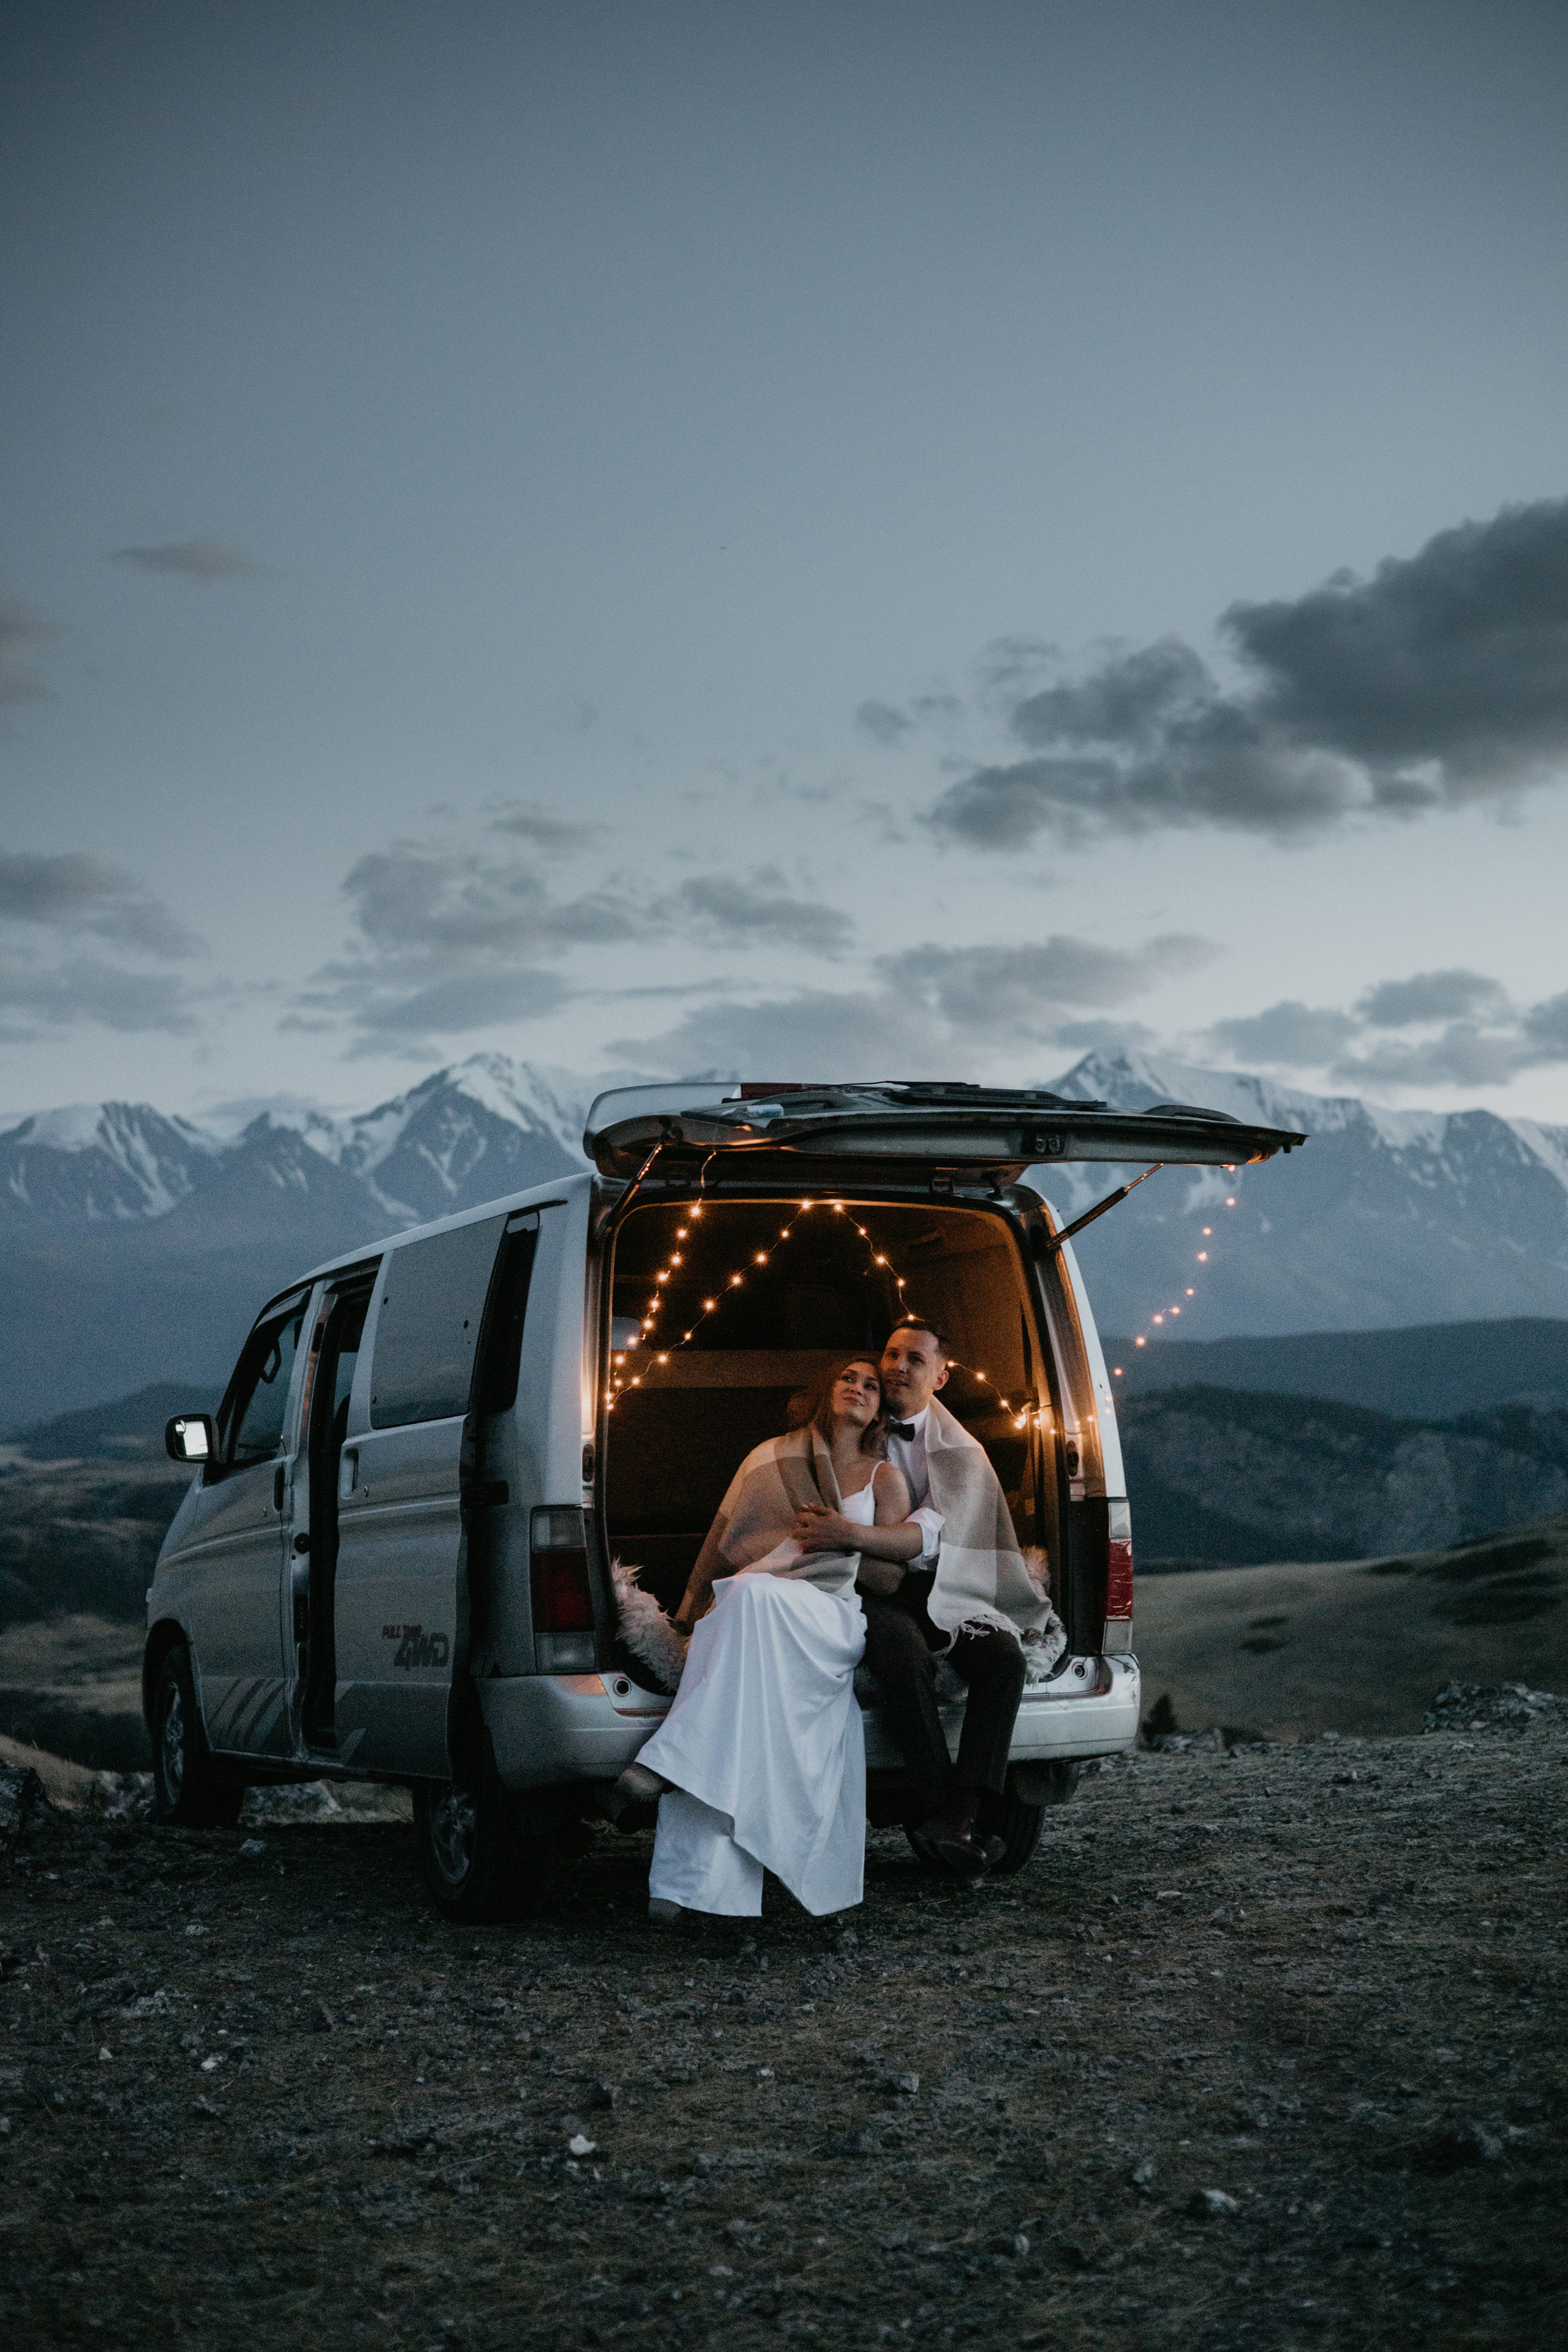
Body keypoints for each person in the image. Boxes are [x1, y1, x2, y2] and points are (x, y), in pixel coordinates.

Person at [609, 1357, 921, 1920]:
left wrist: (842, 1538)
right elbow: (728, 1546)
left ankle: (665, 1770)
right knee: (737, 1627)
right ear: (825, 1392)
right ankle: (683, 1891)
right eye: (847, 1378)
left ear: (880, 1410)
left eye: (871, 1386)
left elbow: (887, 1579)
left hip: (830, 1616)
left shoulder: (885, 1477)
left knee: (746, 1599)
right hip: (755, 1610)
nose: (859, 1388)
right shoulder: (770, 1457)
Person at [794, 1317, 1050, 1877]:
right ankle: (941, 1810)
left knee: (1003, 1660)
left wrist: (852, 1535)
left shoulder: (961, 1450)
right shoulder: (850, 1417)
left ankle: (965, 1808)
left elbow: (929, 1539)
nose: (897, 1367)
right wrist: (851, 1550)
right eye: (891, 1355)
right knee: (901, 1654)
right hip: (866, 1584)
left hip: (943, 1582)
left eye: (914, 1359)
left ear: (941, 1377)